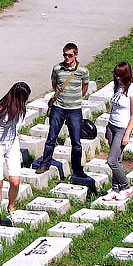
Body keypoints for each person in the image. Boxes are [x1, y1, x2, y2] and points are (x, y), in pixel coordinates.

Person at [36, 42, 90, 177]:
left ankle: (77, 169)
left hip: (75, 109)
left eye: (70, 55)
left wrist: (75, 98)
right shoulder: (57, 69)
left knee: (76, 142)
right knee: (51, 137)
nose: (67, 58)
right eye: (65, 55)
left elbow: (84, 88)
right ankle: (45, 163)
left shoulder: (83, 71)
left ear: (76, 55)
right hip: (58, 108)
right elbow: (55, 85)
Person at [0, 82, 31, 228]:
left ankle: (11, 207)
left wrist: (16, 133)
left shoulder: (22, 107)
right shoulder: (1, 109)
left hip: (12, 144)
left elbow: (16, 124)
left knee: (15, 181)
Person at [106, 61, 133, 198]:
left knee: (112, 161)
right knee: (118, 160)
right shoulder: (117, 87)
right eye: (116, 75)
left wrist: (127, 134)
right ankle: (115, 188)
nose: (117, 78)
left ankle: (126, 187)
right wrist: (108, 127)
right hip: (111, 126)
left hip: (122, 128)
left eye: (120, 76)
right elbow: (114, 107)